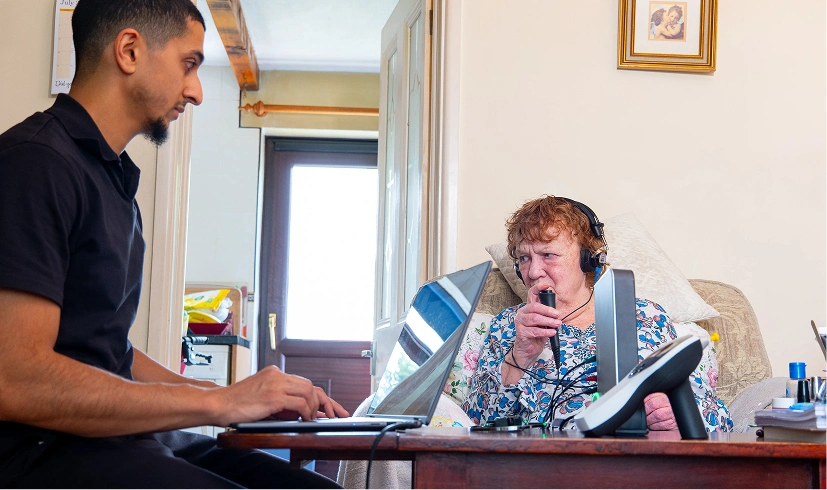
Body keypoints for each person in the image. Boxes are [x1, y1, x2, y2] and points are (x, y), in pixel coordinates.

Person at [0, 0, 348, 487]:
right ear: (128, 50)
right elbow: (16, 379)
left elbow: (106, 353)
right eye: (189, 64)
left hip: (113, 441)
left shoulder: (111, 178)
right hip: (42, 453)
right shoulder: (36, 164)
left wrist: (237, 394)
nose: (197, 91)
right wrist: (219, 402)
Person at [461, 195, 732, 432]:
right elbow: (476, 423)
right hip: (548, 462)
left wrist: (673, 415)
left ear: (588, 259)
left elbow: (716, 418)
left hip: (639, 458)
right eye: (524, 258)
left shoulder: (646, 317)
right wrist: (518, 357)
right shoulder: (510, 325)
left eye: (548, 255)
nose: (532, 272)